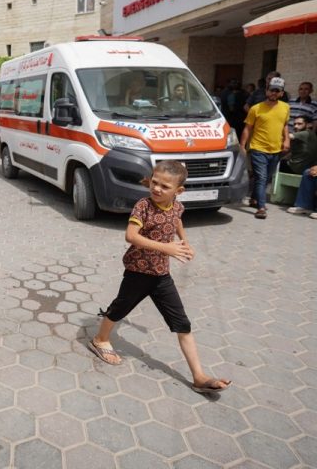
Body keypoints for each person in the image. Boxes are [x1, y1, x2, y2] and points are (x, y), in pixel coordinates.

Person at [88, 160, 232, 393]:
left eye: (165, 186)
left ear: (178, 191)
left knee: (182, 323)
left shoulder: (176, 205)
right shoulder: (143, 206)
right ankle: (100, 340)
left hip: (161, 275)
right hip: (138, 271)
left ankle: (199, 376)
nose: (157, 189)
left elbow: (176, 220)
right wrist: (168, 249)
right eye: (155, 182)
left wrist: (184, 242)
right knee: (119, 308)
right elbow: (131, 236)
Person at [240, 76, 290, 219]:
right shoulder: (256, 108)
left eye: (277, 91)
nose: (274, 93)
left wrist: (286, 140)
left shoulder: (285, 108)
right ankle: (261, 207)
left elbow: (285, 125)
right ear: (267, 91)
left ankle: (254, 198)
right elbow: (247, 128)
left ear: (281, 93)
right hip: (258, 148)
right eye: (271, 90)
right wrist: (242, 145)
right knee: (261, 178)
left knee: (266, 178)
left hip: (276, 149)